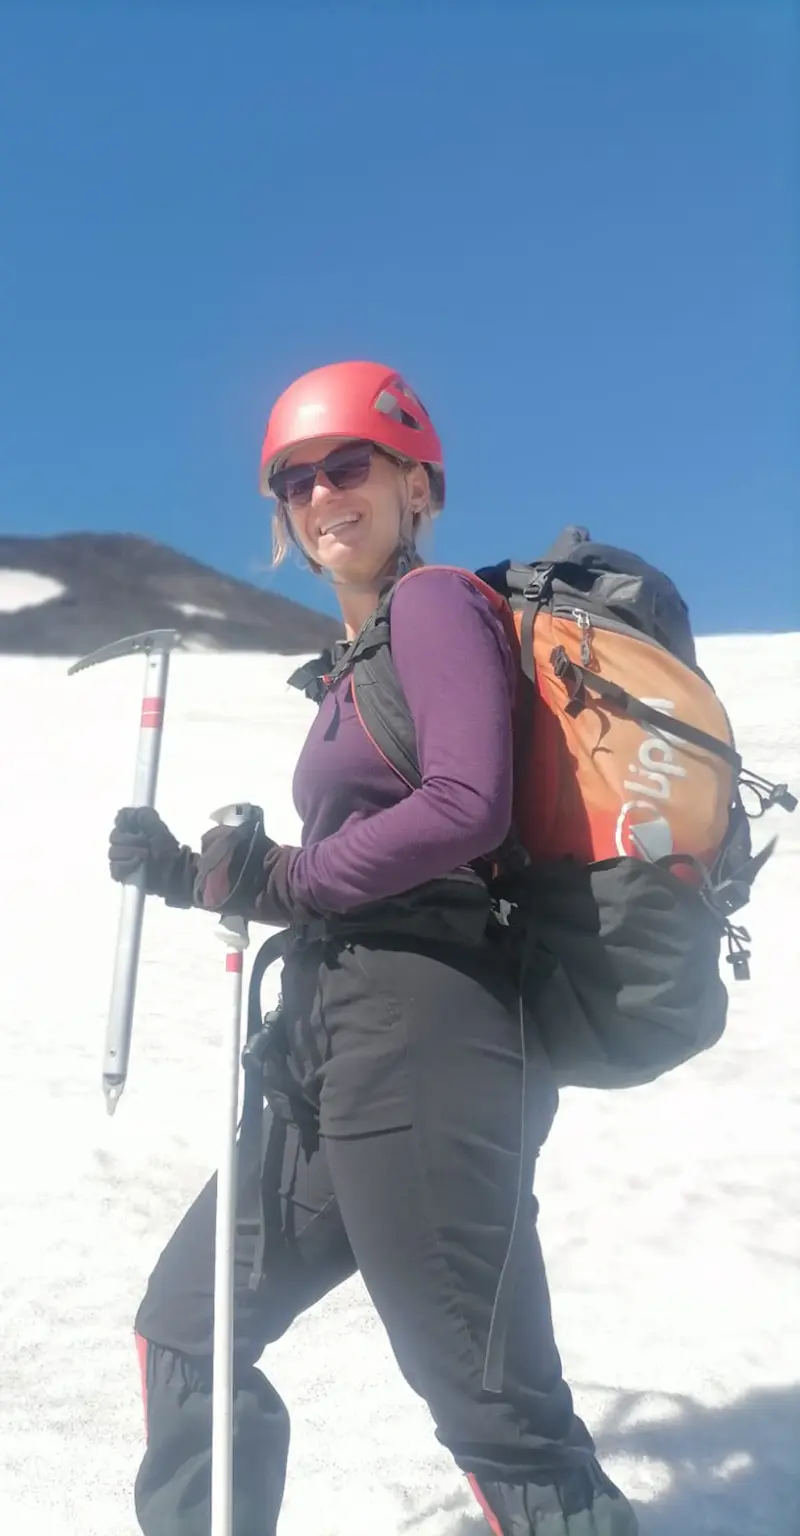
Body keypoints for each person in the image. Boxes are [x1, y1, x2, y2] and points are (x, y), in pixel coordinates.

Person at [109, 360, 639, 1535]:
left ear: (418, 484)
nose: (319, 494)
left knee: (497, 1410)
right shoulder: (351, 668)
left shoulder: (437, 605)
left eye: (348, 464)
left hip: (428, 1038)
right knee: (187, 1327)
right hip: (328, 1044)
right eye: (294, 480)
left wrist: (288, 876)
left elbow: (463, 809)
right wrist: (193, 877)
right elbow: (342, 869)